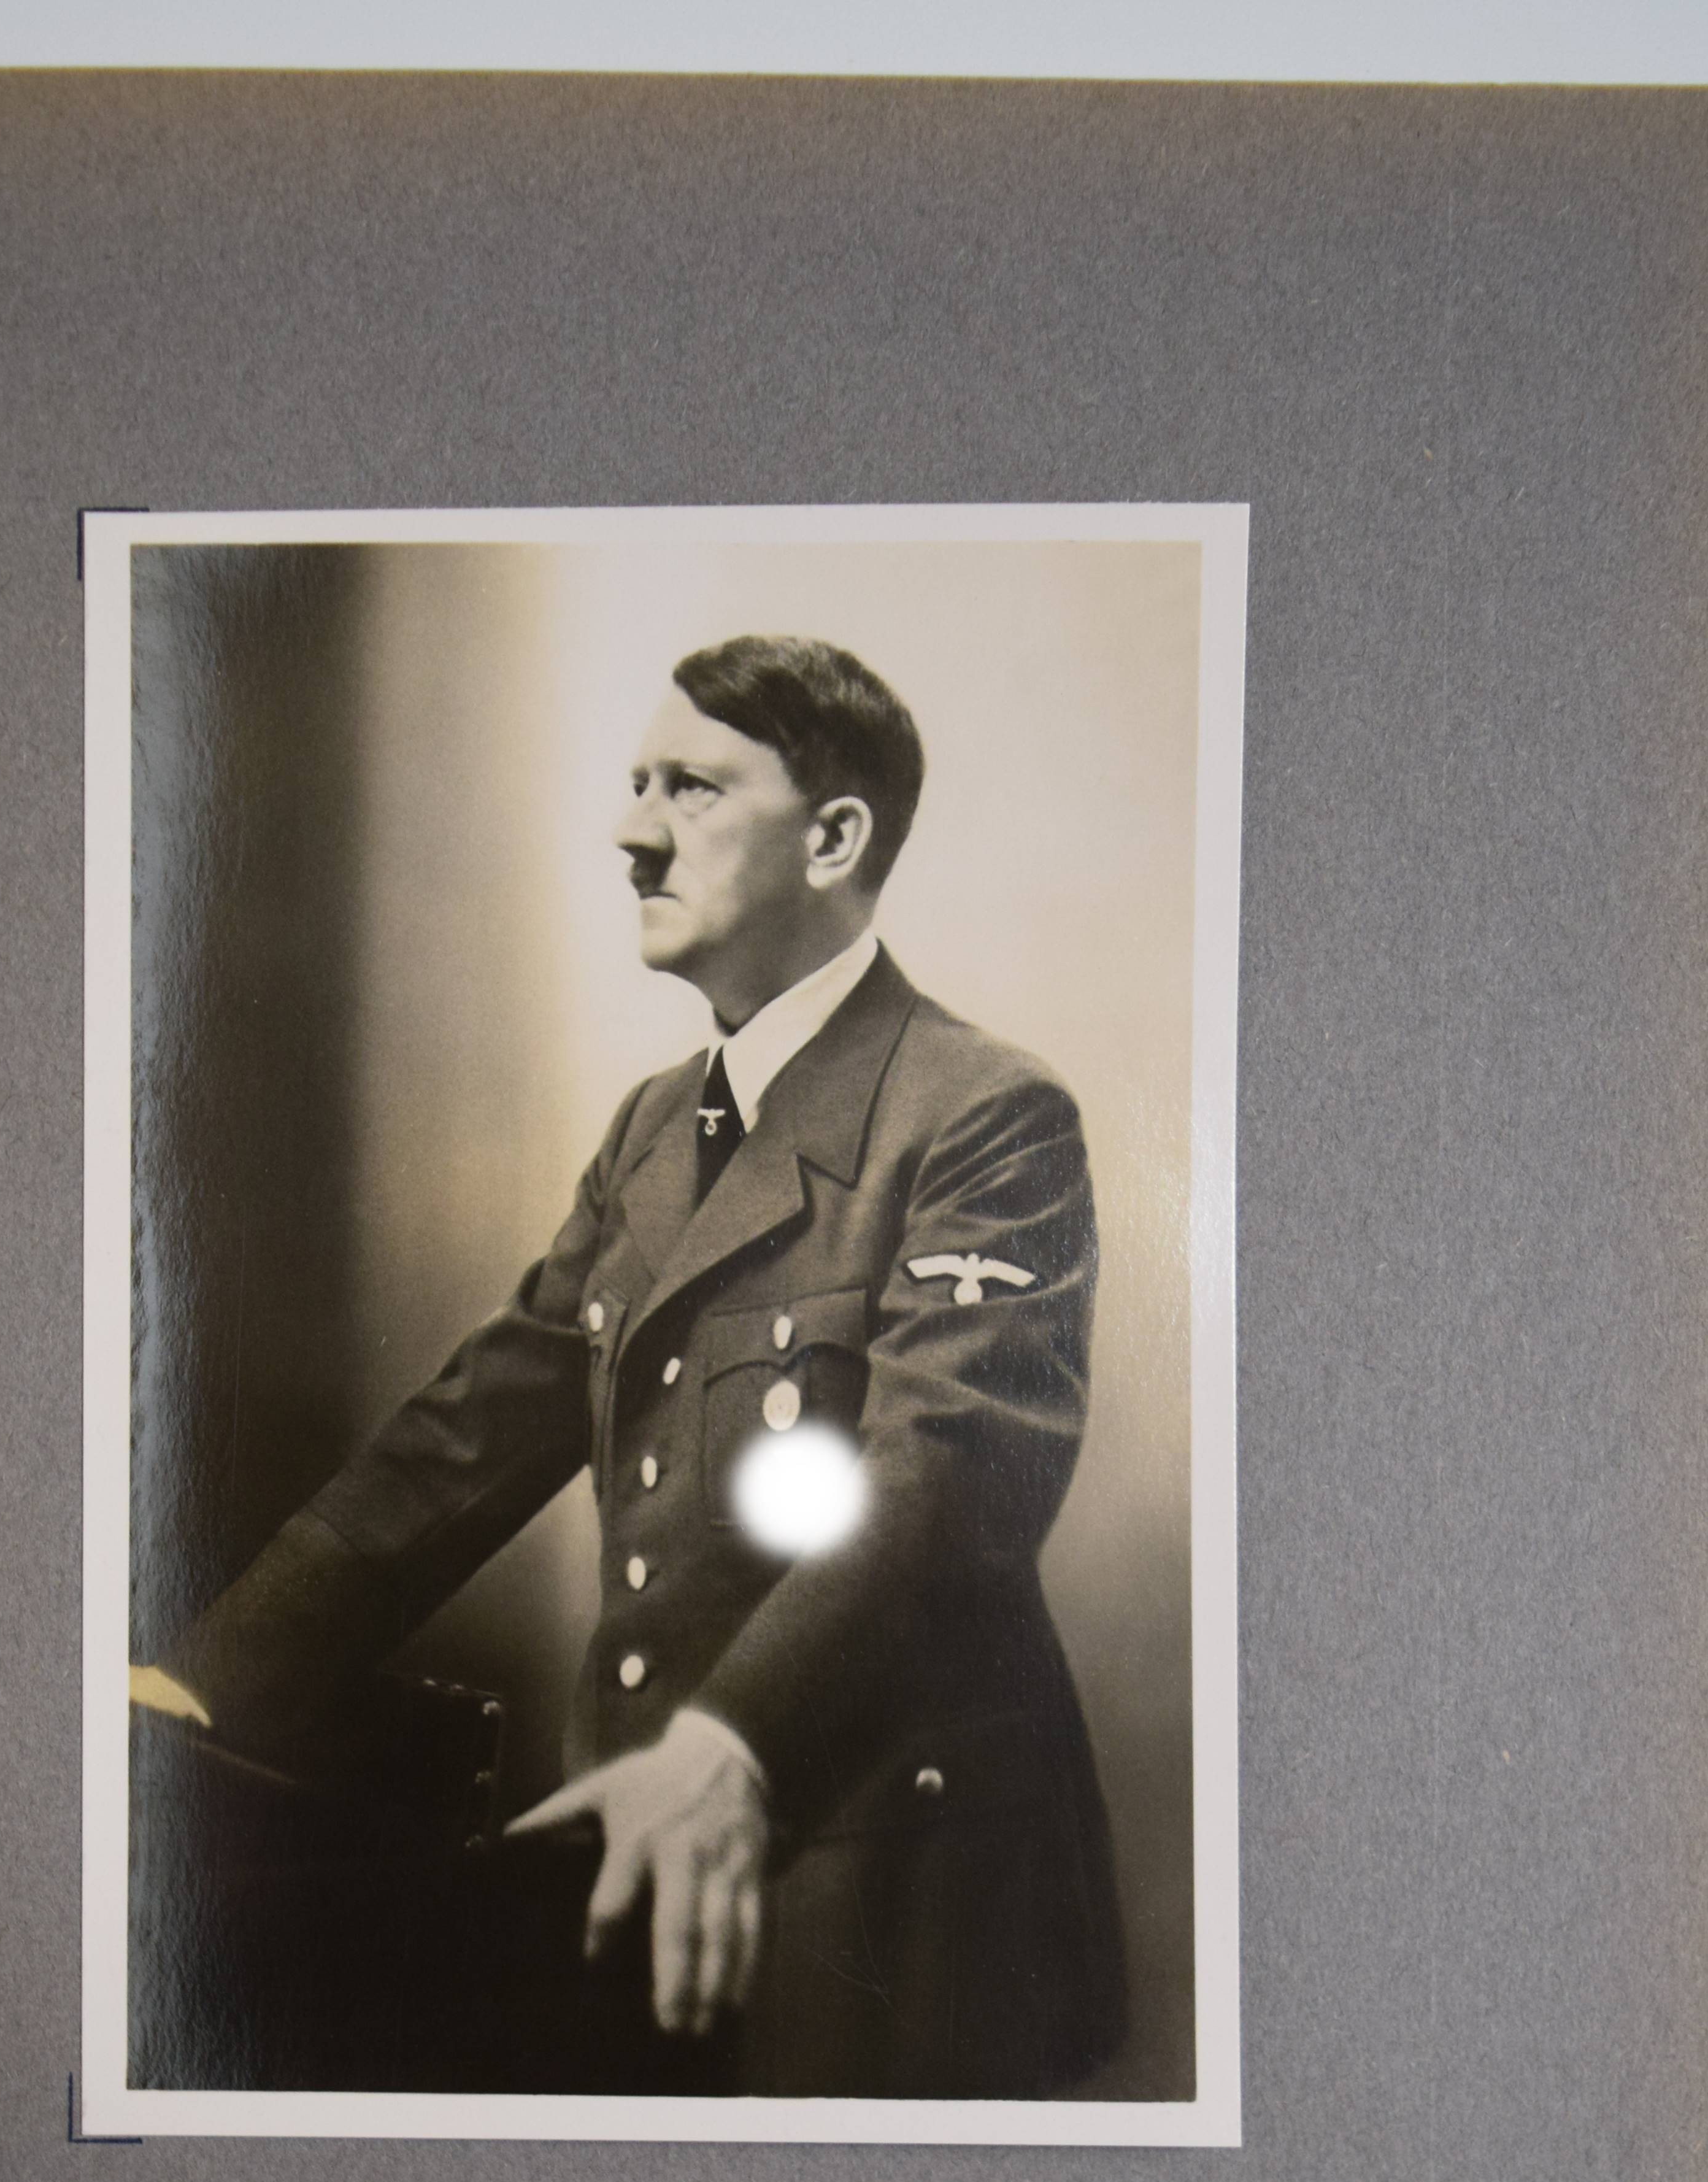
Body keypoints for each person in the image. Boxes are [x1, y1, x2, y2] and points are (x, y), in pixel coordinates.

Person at [133, 633, 1124, 2097]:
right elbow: (469, 1435)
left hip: (886, 1902)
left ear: (834, 838)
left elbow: (950, 1479)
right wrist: (195, 1685)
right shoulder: (656, 1128)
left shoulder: (983, 1113)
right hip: (637, 1872)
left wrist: (735, 1743)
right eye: (635, 783)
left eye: (691, 789)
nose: (631, 831)